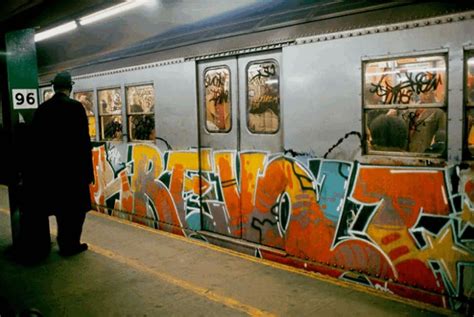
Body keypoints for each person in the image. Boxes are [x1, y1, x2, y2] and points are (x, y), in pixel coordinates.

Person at [29, 71, 93, 256]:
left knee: (59, 208)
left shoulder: (43, 109)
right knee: (76, 211)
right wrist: (88, 174)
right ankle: (70, 244)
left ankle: (61, 240)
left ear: (53, 87)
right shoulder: (75, 108)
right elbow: (83, 143)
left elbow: (37, 143)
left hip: (50, 172)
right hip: (73, 172)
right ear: (70, 87)